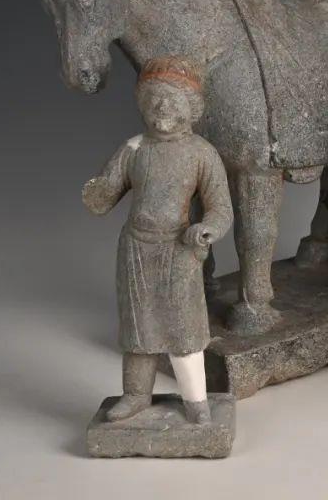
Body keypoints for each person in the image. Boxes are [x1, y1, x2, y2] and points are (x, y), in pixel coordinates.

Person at [82, 56, 232, 424]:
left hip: (179, 250)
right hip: (136, 248)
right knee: (139, 329)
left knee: (184, 331)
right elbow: (104, 196)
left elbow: (221, 208)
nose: (162, 106)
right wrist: (97, 191)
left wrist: (207, 229)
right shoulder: (134, 149)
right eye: (154, 98)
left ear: (192, 108)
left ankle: (196, 402)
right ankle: (136, 395)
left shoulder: (201, 153)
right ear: (142, 104)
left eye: (173, 99)